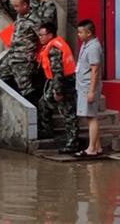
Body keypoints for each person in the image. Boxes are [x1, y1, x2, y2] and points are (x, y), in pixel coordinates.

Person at [37, 22, 79, 153]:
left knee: (68, 113)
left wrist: (57, 91)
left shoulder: (54, 49)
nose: (40, 38)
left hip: (64, 82)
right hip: (63, 80)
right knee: (43, 103)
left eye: (42, 35)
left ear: (49, 35)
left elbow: (57, 72)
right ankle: (47, 130)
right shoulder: (56, 43)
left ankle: (73, 143)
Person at [0, 0, 39, 103]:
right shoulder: (20, 16)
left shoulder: (35, 19)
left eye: (17, 6)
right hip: (12, 55)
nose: (15, 9)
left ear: (25, 5)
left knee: (25, 88)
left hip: (23, 59)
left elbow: (42, 37)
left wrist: (34, 55)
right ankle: (14, 101)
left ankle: (35, 114)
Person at [75, 19, 103, 157]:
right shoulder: (86, 45)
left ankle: (91, 148)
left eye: (81, 32)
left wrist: (91, 91)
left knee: (91, 116)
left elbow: (95, 70)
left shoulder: (93, 48)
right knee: (88, 116)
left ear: (89, 33)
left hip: (88, 86)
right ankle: (97, 146)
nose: (79, 35)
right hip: (82, 85)